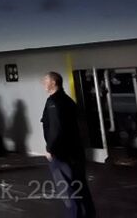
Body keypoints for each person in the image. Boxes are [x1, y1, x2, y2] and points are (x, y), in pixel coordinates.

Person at [42, 72, 96, 218]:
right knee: (80, 187)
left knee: (68, 190)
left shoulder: (53, 102)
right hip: (76, 151)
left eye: (45, 81)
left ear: (53, 83)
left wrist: (50, 149)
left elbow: (55, 128)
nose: (43, 84)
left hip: (62, 153)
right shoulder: (68, 100)